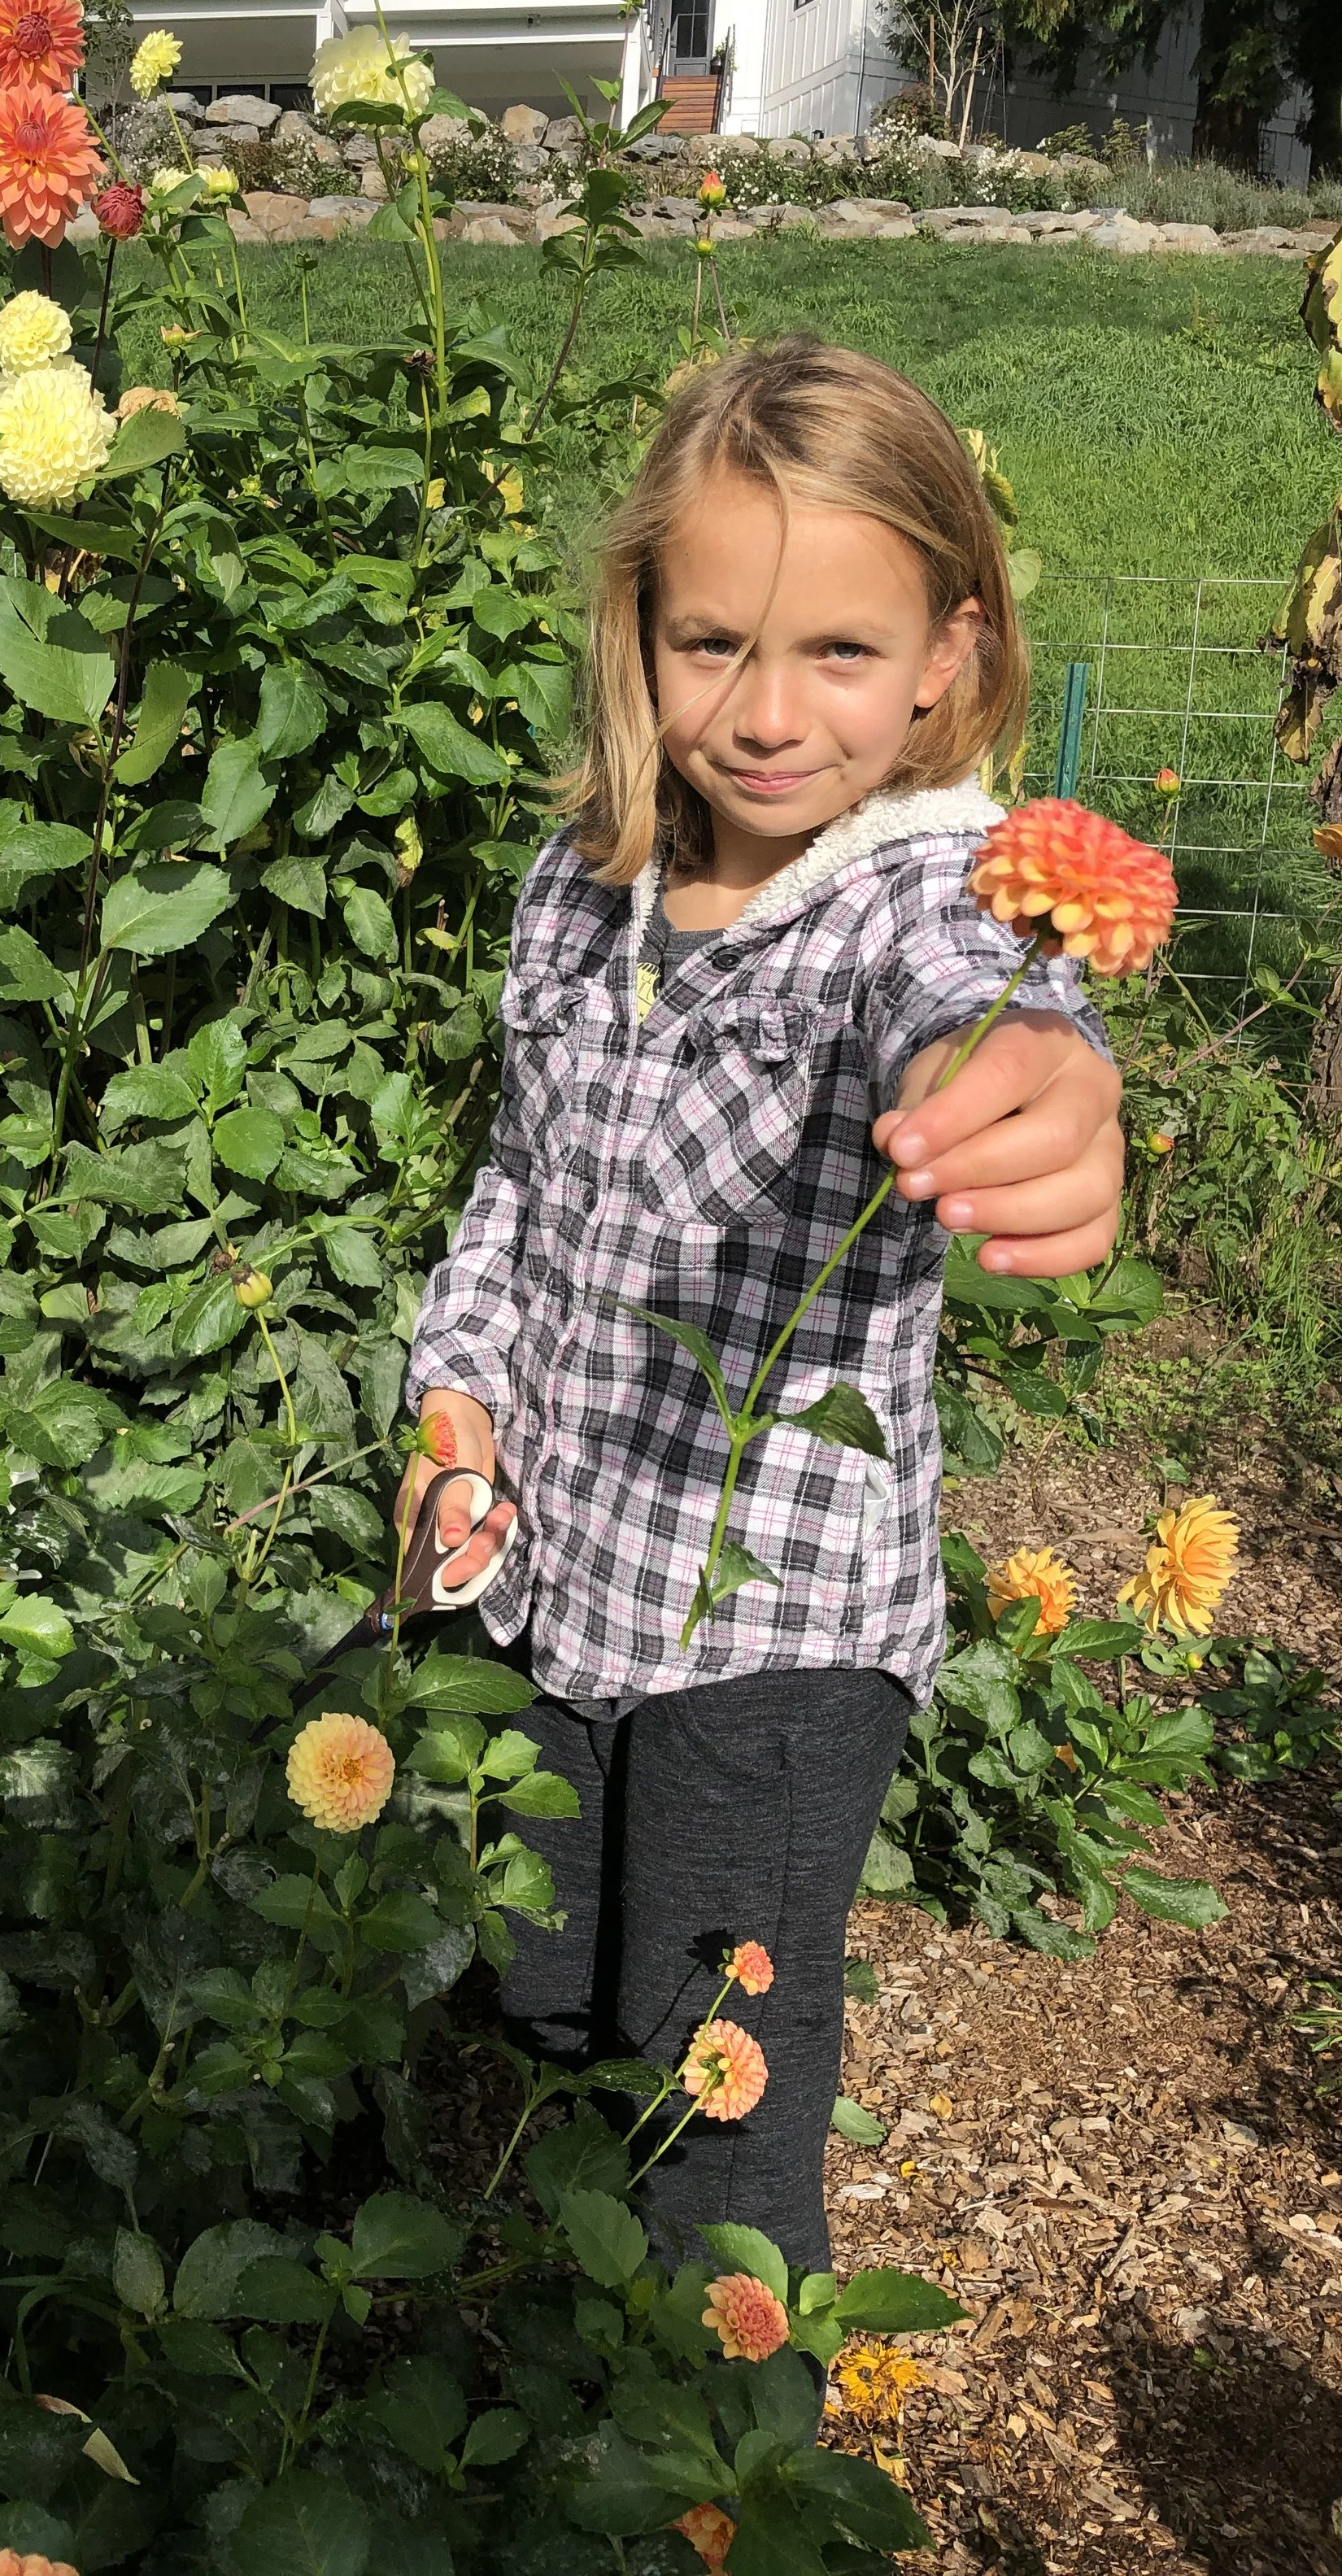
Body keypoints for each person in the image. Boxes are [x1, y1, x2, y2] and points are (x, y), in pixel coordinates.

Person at [397, 337, 1125, 2281]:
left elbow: (987, 1001)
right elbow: (515, 1191)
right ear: (634, 629)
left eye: (838, 655)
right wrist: (454, 1402)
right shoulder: (582, 888)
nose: (768, 712)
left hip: (772, 1635)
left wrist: (1047, 1075)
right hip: (545, 1585)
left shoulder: (920, 903)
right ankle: (576, 2380)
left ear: (945, 659)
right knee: (544, 1999)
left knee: (714, 2085)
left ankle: (718, 2468)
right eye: (712, 642)